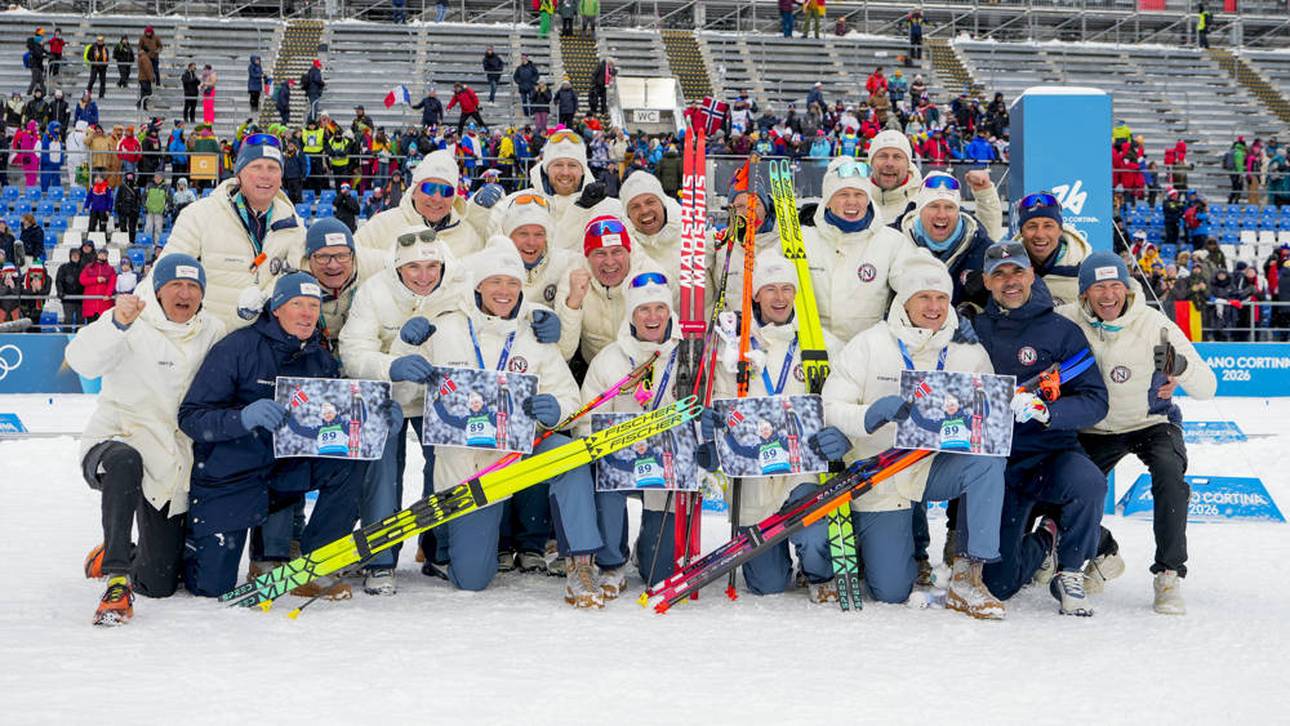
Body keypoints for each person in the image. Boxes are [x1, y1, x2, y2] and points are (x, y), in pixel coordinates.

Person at [391, 244, 603, 607]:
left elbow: (571, 400)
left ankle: (581, 563)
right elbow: (405, 391)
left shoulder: (534, 334)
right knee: (472, 580)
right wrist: (401, 348)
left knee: (570, 456)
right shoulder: (445, 327)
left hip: (521, 451)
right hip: (470, 466)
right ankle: (445, 547)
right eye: (495, 282)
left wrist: (556, 409)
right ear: (478, 287)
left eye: (512, 283)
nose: (504, 291)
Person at [822, 260, 1006, 617]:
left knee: (988, 461)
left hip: (931, 466)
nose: (934, 307)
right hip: (880, 472)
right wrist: (867, 416)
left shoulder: (968, 350)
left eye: (941, 297)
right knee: (891, 591)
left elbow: (989, 422)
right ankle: (879, 543)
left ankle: (970, 574)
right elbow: (830, 407)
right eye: (923, 297)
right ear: (903, 302)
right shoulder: (869, 345)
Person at [178, 273, 371, 599]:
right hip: (231, 475)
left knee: (351, 461)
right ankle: (169, 546)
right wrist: (243, 418)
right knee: (210, 586)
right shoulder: (236, 348)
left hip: (283, 473)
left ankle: (314, 562)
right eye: (298, 304)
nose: (308, 313)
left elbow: (334, 421)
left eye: (314, 305)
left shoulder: (319, 358)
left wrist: (373, 419)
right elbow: (192, 417)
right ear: (277, 308)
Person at [1056, 252, 1217, 614]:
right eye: (1099, 287)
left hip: (1150, 422)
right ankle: (1102, 553)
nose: (1109, 294)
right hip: (1093, 427)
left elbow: (1207, 387)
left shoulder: (1154, 326)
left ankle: (1169, 574)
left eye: (1117, 286)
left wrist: (1181, 371)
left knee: (1170, 478)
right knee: (1061, 490)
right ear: (1084, 294)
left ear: (1128, 290)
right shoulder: (1066, 320)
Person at [68, 256, 224, 625]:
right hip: (113, 442)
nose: (185, 294)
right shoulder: (132, 322)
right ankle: (118, 576)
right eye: (176, 286)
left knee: (159, 582)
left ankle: (116, 550)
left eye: (193, 287)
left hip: (170, 460)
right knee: (126, 460)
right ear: (158, 290)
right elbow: (80, 361)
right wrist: (116, 324)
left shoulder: (212, 330)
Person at [973, 241, 1109, 616]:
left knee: (1090, 483)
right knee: (999, 585)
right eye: (999, 274)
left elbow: (1095, 400)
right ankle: (1047, 537)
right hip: (997, 469)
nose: (1010, 281)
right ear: (987, 281)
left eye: (1017, 271)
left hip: (1051, 454)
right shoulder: (973, 330)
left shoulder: (1061, 331)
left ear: (1032, 274)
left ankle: (1070, 570)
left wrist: (1047, 411)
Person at [697, 253, 844, 600]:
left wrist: (839, 433)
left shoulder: (821, 343)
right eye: (770, 289)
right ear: (756, 295)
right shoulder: (730, 346)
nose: (779, 298)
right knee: (768, 585)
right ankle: (775, 563)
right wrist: (713, 425)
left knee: (813, 534)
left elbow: (839, 399)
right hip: (753, 472)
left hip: (801, 469)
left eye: (786, 289)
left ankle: (818, 572)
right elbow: (718, 397)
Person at [157, 139, 305, 330]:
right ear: (239, 174)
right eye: (256, 167)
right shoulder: (200, 215)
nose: (265, 175)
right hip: (210, 338)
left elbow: (296, 274)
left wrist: (262, 299)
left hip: (266, 339)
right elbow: (163, 274)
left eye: (273, 168)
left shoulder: (293, 224)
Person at [797, 157, 920, 343]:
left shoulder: (891, 242)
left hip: (867, 354)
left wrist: (949, 321)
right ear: (828, 201)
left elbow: (917, 285)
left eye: (859, 194)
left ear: (868, 200)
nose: (852, 202)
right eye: (843, 194)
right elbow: (770, 279)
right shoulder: (803, 239)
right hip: (811, 352)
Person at [558, 215, 666, 363]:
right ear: (587, 257)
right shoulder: (573, 278)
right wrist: (573, 304)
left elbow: (666, 342)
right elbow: (564, 352)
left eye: (617, 252)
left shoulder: (652, 277)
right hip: (595, 369)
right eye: (600, 253)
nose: (609, 262)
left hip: (645, 367)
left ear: (628, 253)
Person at [866, 130, 1003, 241]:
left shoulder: (928, 197)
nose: (889, 163)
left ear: (908, 164)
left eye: (897, 157)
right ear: (871, 162)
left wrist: (984, 193)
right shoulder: (855, 202)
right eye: (882, 156)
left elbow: (986, 240)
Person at [354, 149, 482, 259]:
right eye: (429, 188)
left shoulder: (469, 236)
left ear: (454, 197)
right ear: (413, 191)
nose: (437, 198)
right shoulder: (381, 226)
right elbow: (350, 262)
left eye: (446, 191)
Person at [894, 170, 994, 311]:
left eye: (949, 207)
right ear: (919, 210)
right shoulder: (895, 242)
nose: (941, 215)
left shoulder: (980, 247)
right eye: (933, 206)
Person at [1012, 190, 1093, 306]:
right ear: (1021, 232)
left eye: (1048, 226)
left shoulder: (1085, 268)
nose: (1040, 234)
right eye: (1032, 226)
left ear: (1060, 230)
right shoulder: (1007, 266)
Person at [621, 170, 682, 283]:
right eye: (635, 207)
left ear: (662, 204)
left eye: (650, 202)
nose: (644, 210)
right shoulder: (624, 248)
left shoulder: (691, 234)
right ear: (628, 215)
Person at [79, 247, 117, 323]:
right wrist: (96, 279)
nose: (102, 256)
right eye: (101, 254)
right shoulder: (89, 267)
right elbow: (82, 280)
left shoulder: (110, 269)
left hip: (104, 304)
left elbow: (112, 283)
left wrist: (108, 294)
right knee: (91, 326)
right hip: (90, 304)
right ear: (97, 255)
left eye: (105, 255)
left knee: (103, 327)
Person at [57, 247, 85, 329]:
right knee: (68, 320)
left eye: (77, 255)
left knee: (81, 321)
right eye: (73, 255)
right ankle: (66, 337)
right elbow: (59, 281)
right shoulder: (64, 267)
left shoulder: (84, 268)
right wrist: (60, 291)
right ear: (70, 256)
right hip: (67, 298)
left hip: (81, 299)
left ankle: (80, 339)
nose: (75, 256)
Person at [114, 170, 141, 243]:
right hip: (123, 207)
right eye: (128, 175)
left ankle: (132, 241)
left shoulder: (136, 187)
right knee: (122, 225)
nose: (129, 177)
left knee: (132, 227)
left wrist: (137, 208)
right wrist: (117, 207)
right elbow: (118, 197)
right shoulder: (122, 186)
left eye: (131, 175)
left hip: (133, 208)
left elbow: (139, 199)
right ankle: (124, 240)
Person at [143, 172, 170, 242]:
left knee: (158, 229)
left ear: (162, 179)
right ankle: (148, 242)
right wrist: (145, 206)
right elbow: (144, 197)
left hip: (159, 211)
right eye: (156, 177)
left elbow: (169, 199)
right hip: (150, 210)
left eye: (159, 178)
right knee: (148, 227)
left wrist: (166, 209)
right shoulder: (149, 186)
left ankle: (157, 244)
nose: (157, 179)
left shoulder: (166, 187)